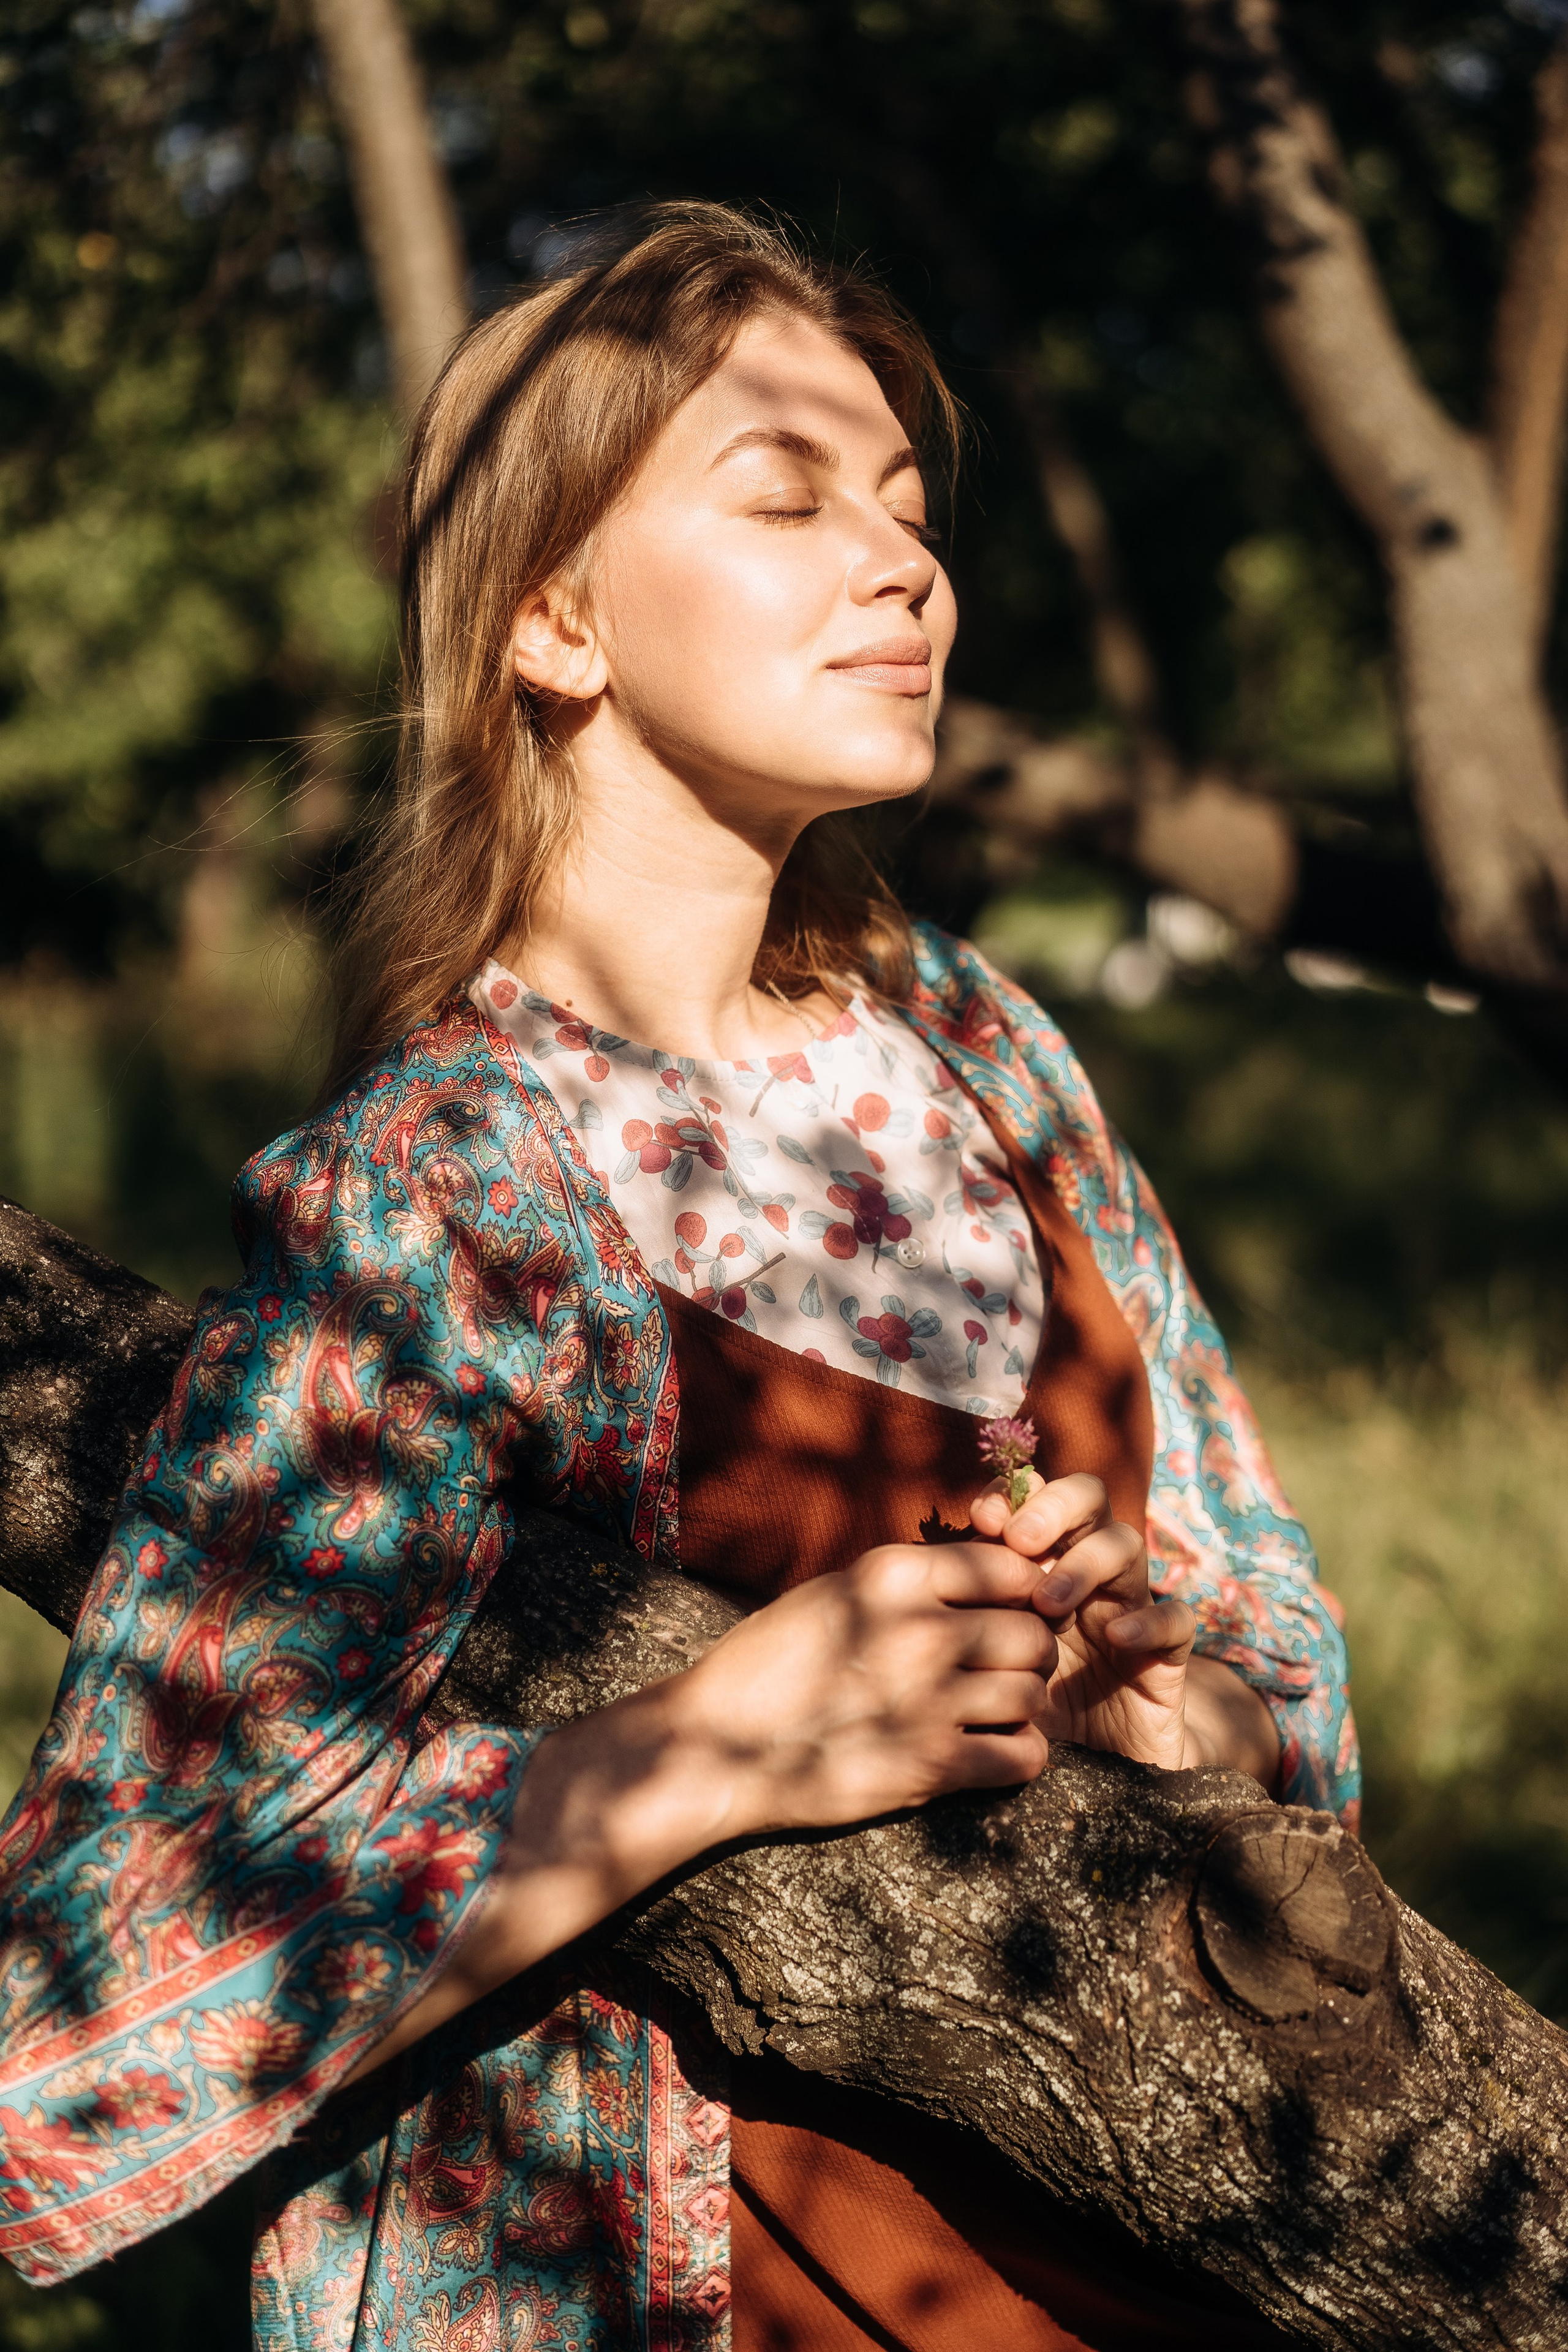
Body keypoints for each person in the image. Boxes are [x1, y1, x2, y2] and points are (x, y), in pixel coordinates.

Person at [0, 203, 1355, 2350]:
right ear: (554, 623)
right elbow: (83, 2024)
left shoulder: (984, 1053)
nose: (904, 567)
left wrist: (1196, 1714)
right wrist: (713, 1743)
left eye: (909, 508)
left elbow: (1265, 1593)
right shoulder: (442, 1199)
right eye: (788, 498)